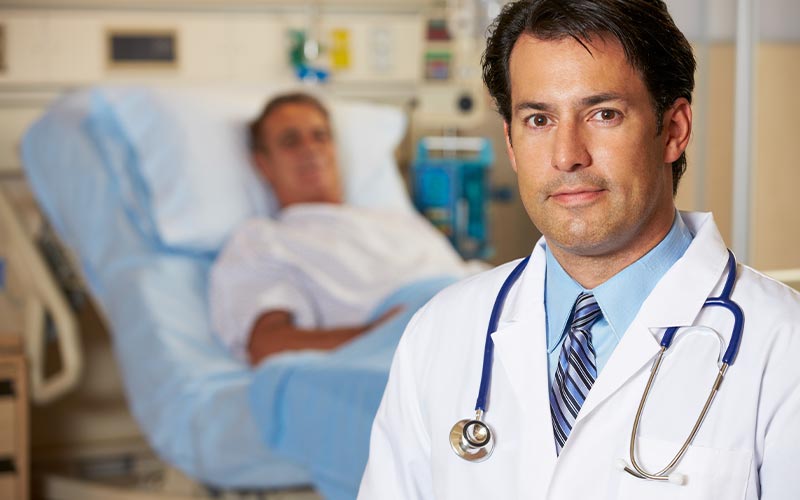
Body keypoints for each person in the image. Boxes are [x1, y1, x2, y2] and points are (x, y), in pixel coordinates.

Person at [358, 1, 800, 499]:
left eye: (603, 114)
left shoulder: (784, 349)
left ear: (674, 130)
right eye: (539, 119)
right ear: (510, 141)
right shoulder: (441, 333)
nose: (567, 155)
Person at [209, 92, 476, 365]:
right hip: (408, 345)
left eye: (320, 136)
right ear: (263, 164)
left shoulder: (397, 220)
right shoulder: (263, 239)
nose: (310, 149)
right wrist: (379, 335)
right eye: (291, 141)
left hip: (473, 315)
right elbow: (268, 344)